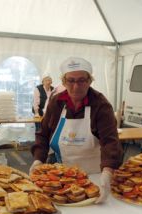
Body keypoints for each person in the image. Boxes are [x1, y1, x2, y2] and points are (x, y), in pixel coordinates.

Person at [30, 57, 123, 203]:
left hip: (95, 177)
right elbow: (43, 135)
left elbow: (110, 141)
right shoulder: (56, 102)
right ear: (63, 82)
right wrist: (38, 160)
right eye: (71, 81)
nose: (76, 86)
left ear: (90, 81)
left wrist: (108, 171)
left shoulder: (101, 105)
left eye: (81, 80)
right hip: (61, 179)